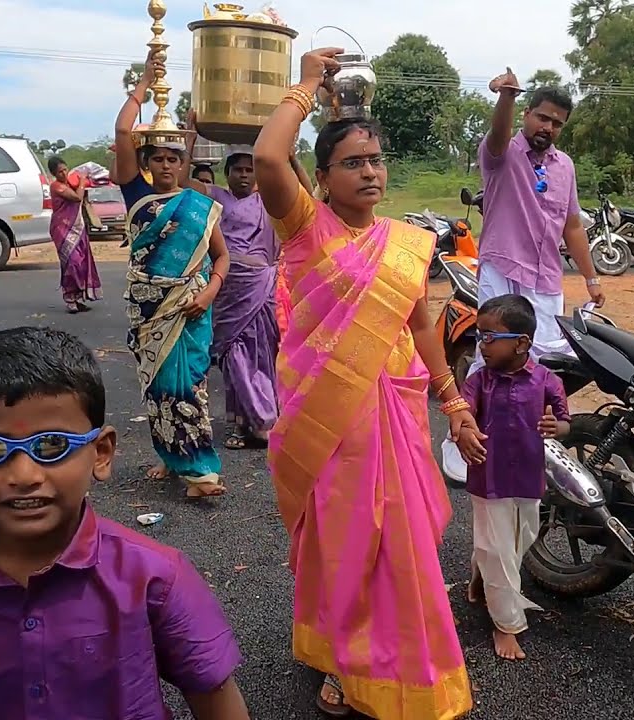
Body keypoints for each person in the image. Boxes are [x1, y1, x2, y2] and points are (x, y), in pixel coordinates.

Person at [253, 47, 477, 719]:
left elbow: (421, 323)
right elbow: (268, 158)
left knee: (402, 544)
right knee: (343, 541)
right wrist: (305, 86)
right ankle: (340, 659)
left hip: (395, 411)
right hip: (330, 421)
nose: (371, 171)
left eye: (376, 160)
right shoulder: (305, 227)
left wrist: (453, 399)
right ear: (322, 177)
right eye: (353, 162)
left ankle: (402, 669)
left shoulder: (407, 243)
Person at [0, 326, 249, 720]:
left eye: (52, 445)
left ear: (101, 453)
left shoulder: (155, 579)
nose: (24, 475)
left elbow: (217, 703)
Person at [113, 53, 232, 498]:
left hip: (192, 307)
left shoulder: (199, 205)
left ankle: (201, 472)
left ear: (183, 162)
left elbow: (222, 258)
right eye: (158, 158)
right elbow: (123, 131)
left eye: (173, 159)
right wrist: (144, 83)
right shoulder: (138, 196)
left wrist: (210, 293)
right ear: (146, 162)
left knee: (189, 386)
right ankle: (170, 455)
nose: (166, 165)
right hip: (149, 308)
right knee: (159, 387)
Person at [179, 126, 313, 450]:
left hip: (262, 287)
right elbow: (182, 184)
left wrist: (292, 158)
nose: (243, 175)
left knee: (264, 353)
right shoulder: (215, 198)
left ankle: (263, 419)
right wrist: (190, 142)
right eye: (237, 169)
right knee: (233, 355)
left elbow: (308, 196)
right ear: (226, 173)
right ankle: (246, 424)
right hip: (228, 289)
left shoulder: (269, 200)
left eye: (248, 169)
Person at [456, 294, 569, 662]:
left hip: (528, 478)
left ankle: (480, 575)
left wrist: (557, 427)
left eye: (489, 337)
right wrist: (464, 432)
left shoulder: (547, 381)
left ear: (521, 343)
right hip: (487, 478)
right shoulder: (478, 381)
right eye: (478, 336)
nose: (481, 345)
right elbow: (463, 414)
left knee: (519, 540)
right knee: (499, 549)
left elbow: (565, 421)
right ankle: (506, 624)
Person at [473, 69, 603, 370]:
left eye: (557, 124)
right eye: (542, 118)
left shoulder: (565, 166)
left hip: (547, 280)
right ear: (526, 114)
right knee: (497, 357)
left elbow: (572, 226)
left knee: (544, 364)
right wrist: (507, 96)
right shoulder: (503, 154)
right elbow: (498, 133)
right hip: (503, 270)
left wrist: (591, 279)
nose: (548, 127)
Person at [47, 155, 104, 313]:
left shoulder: (71, 183)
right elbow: (77, 198)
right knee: (72, 263)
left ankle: (78, 298)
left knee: (83, 263)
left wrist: (82, 181)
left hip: (78, 227)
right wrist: (83, 181)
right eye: (60, 172)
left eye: (65, 170)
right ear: (54, 174)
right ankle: (70, 298)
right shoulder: (56, 186)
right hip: (62, 229)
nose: (64, 174)